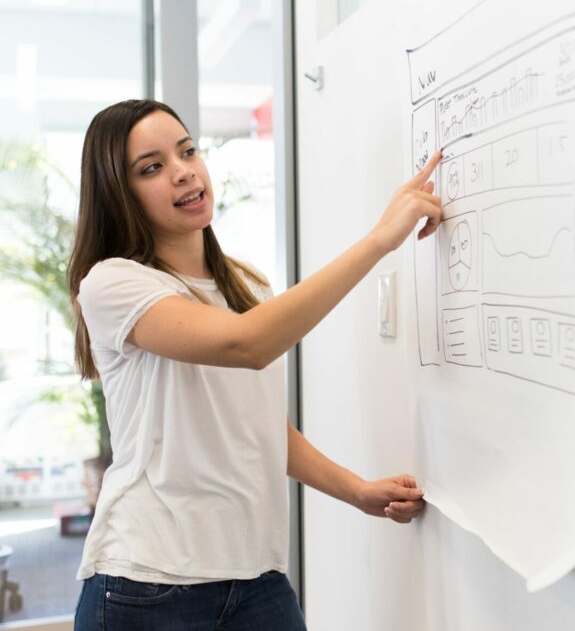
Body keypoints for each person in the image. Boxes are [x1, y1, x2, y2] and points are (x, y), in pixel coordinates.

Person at [67, 99, 442, 630]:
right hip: (147, 584)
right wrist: (381, 240)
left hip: (256, 579)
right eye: (151, 168)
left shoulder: (245, 287)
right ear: (119, 194)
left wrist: (357, 491)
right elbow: (248, 345)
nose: (183, 172)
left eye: (187, 151)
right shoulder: (113, 283)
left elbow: (256, 427)